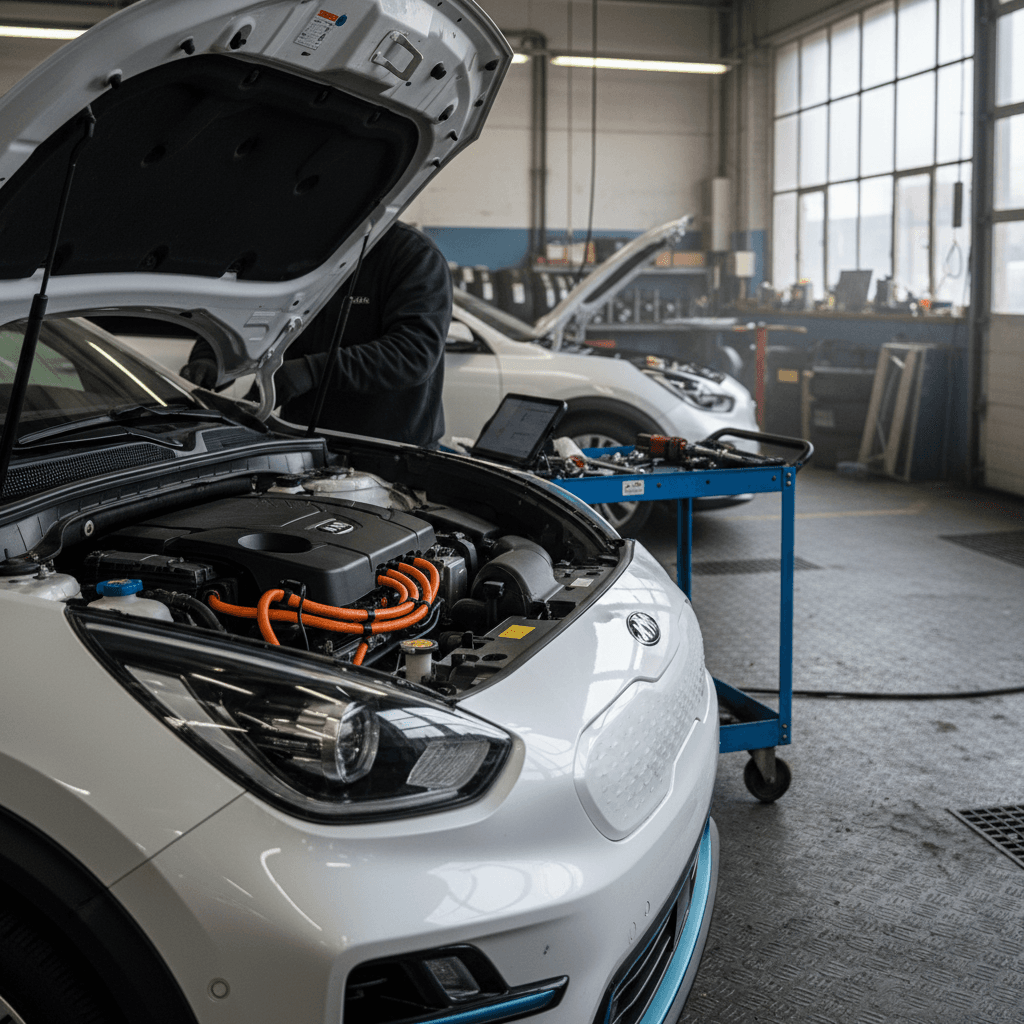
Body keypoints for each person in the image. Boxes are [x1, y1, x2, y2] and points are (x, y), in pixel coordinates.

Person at [182, 222, 452, 448]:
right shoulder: (294, 253)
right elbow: (243, 313)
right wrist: (212, 359)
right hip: (301, 440)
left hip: (390, 450)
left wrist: (311, 372)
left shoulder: (413, 255)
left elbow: (412, 354)